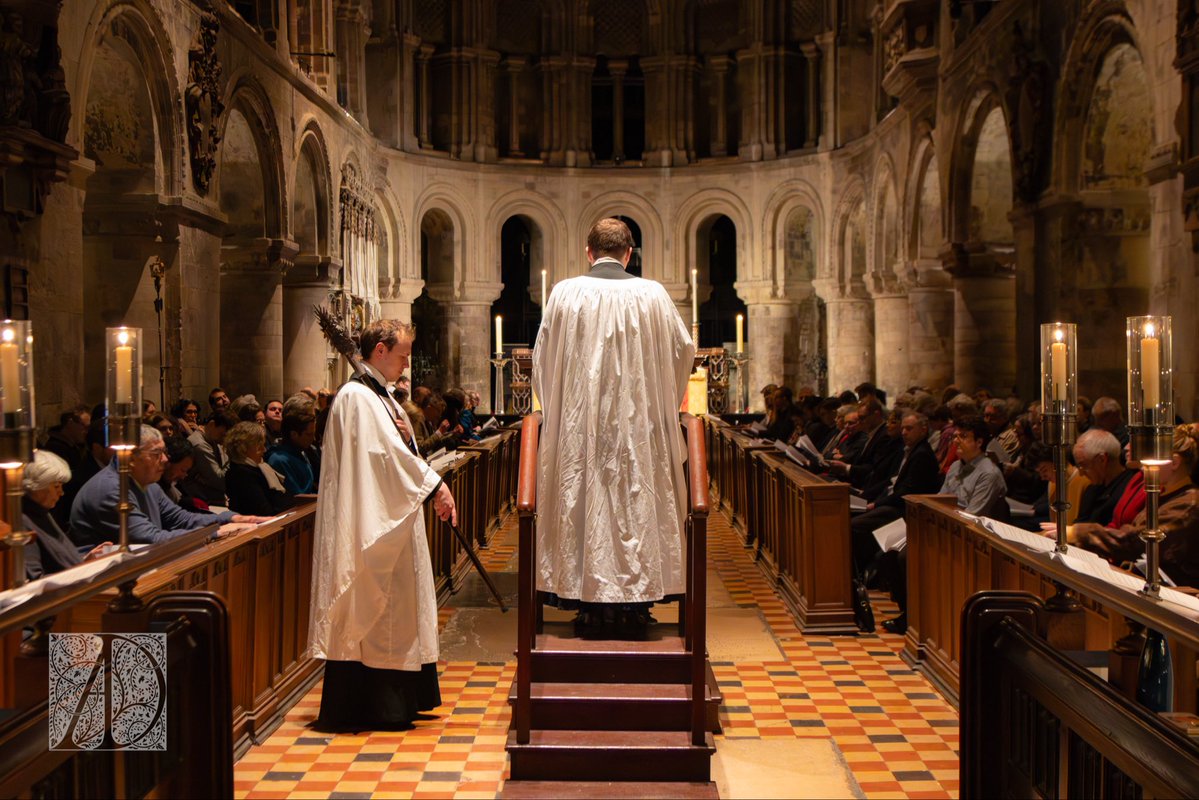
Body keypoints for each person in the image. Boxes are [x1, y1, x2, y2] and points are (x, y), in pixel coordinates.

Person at [533, 217, 695, 624]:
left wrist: (559, 415)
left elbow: (543, 361)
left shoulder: (565, 294)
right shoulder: (653, 295)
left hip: (580, 431)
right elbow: (683, 350)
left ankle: (586, 596)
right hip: (640, 432)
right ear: (629, 254)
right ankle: (636, 602)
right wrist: (661, 406)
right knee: (638, 505)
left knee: (586, 502)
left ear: (588, 253)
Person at [309, 320, 457, 732]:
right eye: (403, 355)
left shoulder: (380, 395)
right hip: (369, 522)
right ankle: (376, 705)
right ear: (379, 351)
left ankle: (403, 698)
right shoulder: (357, 397)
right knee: (378, 611)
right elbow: (381, 458)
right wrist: (435, 486)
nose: (406, 365)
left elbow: (399, 450)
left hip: (394, 516)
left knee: (399, 607)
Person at [70, 426, 266, 547]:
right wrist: (216, 532)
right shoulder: (110, 490)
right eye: (156, 453)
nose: (165, 460)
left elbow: (180, 518)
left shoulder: (148, 483)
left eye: (164, 452)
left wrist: (230, 517)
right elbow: (150, 539)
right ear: (130, 458)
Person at [1069, 425, 1199, 587]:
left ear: (1174, 462)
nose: (1144, 469)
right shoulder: (1165, 494)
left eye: (1149, 461)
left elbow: (1140, 541)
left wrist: (1078, 533)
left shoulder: (1189, 504)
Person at [23, 450, 110, 580]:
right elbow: (36, 580)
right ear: (37, 486)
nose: (61, 493)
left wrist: (84, 561)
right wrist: (79, 570)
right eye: (57, 486)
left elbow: (58, 564)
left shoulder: (42, 511)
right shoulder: (22, 521)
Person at [224, 421, 295, 516]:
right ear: (243, 448)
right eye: (259, 446)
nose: (264, 450)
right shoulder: (240, 474)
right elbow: (264, 512)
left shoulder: (261, 467)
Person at [1072, 429, 1140, 526]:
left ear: (1102, 459)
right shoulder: (1092, 489)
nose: (1081, 473)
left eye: (1084, 465)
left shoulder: (1129, 488)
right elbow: (1079, 524)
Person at [182, 410, 236, 506]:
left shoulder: (212, 439)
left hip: (209, 497)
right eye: (223, 435)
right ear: (212, 424)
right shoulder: (200, 445)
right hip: (199, 500)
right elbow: (220, 481)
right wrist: (234, 456)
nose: (225, 440)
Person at [266, 398, 318, 494]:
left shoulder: (302, 450)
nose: (313, 439)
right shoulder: (279, 460)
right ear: (294, 434)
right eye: (309, 434)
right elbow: (297, 499)